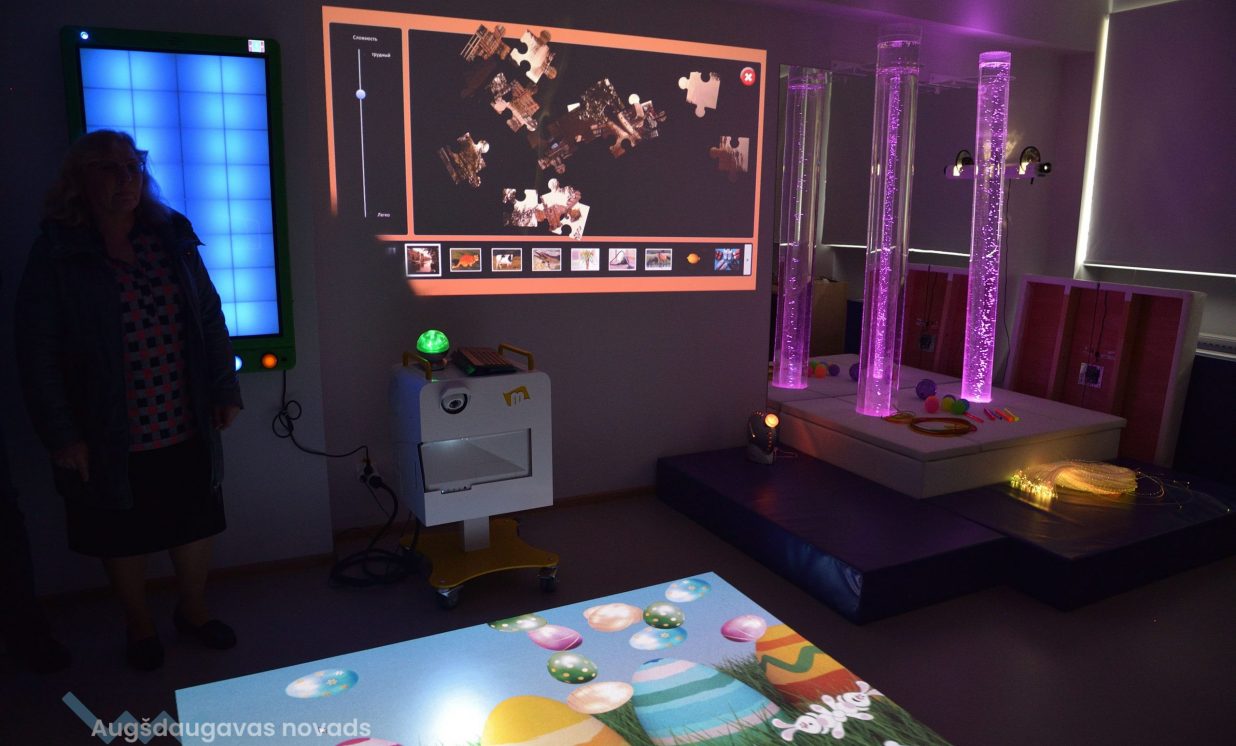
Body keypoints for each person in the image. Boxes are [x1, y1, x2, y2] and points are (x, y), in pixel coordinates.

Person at [14, 130, 243, 671]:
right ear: (79, 182)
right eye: (109, 168)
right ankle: (138, 624)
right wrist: (62, 435)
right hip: (107, 427)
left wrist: (224, 387)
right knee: (120, 530)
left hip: (184, 415)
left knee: (195, 518)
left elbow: (208, 316)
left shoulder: (170, 234)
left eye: (133, 166)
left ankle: (192, 610)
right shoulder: (58, 250)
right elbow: (36, 349)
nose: (126, 178)